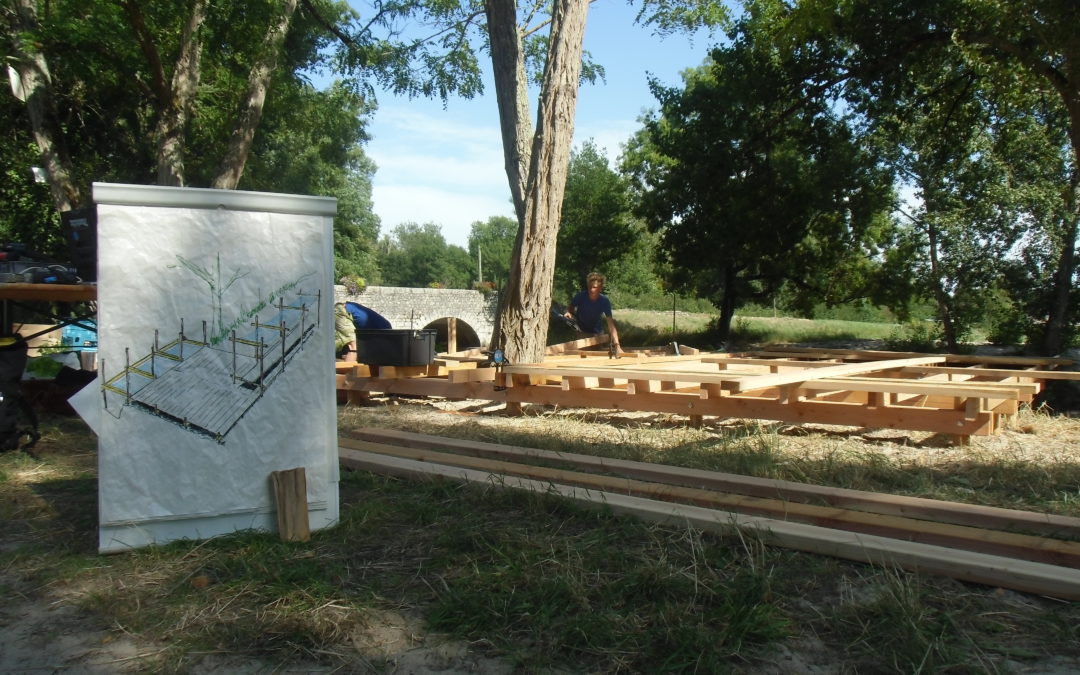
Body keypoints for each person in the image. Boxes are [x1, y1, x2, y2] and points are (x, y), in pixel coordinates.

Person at [564, 272, 623, 356]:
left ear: (600, 288)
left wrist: (617, 345)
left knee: (596, 356)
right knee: (580, 356)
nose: (591, 290)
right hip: (582, 331)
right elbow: (571, 307)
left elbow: (611, 324)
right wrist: (569, 313)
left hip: (597, 334)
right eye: (590, 287)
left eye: (594, 287)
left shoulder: (604, 301)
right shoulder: (581, 296)